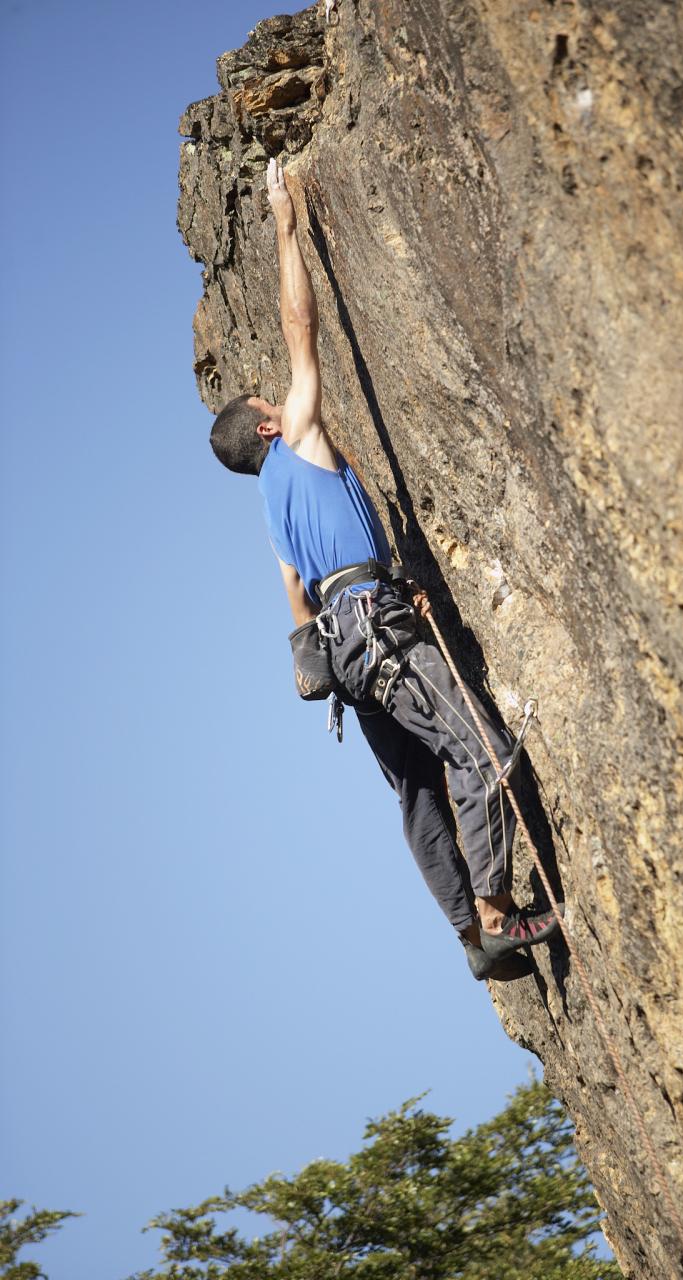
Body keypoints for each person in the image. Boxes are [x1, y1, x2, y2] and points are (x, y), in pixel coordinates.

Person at [209, 159, 562, 980]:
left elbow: (296, 604)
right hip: (381, 625)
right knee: (482, 753)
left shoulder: (272, 517)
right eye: (271, 403)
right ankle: (494, 912)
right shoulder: (297, 441)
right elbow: (303, 328)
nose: (282, 399)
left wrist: (326, 654)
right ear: (267, 429)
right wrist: (285, 225)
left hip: (349, 655)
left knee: (417, 790)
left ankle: (466, 936)